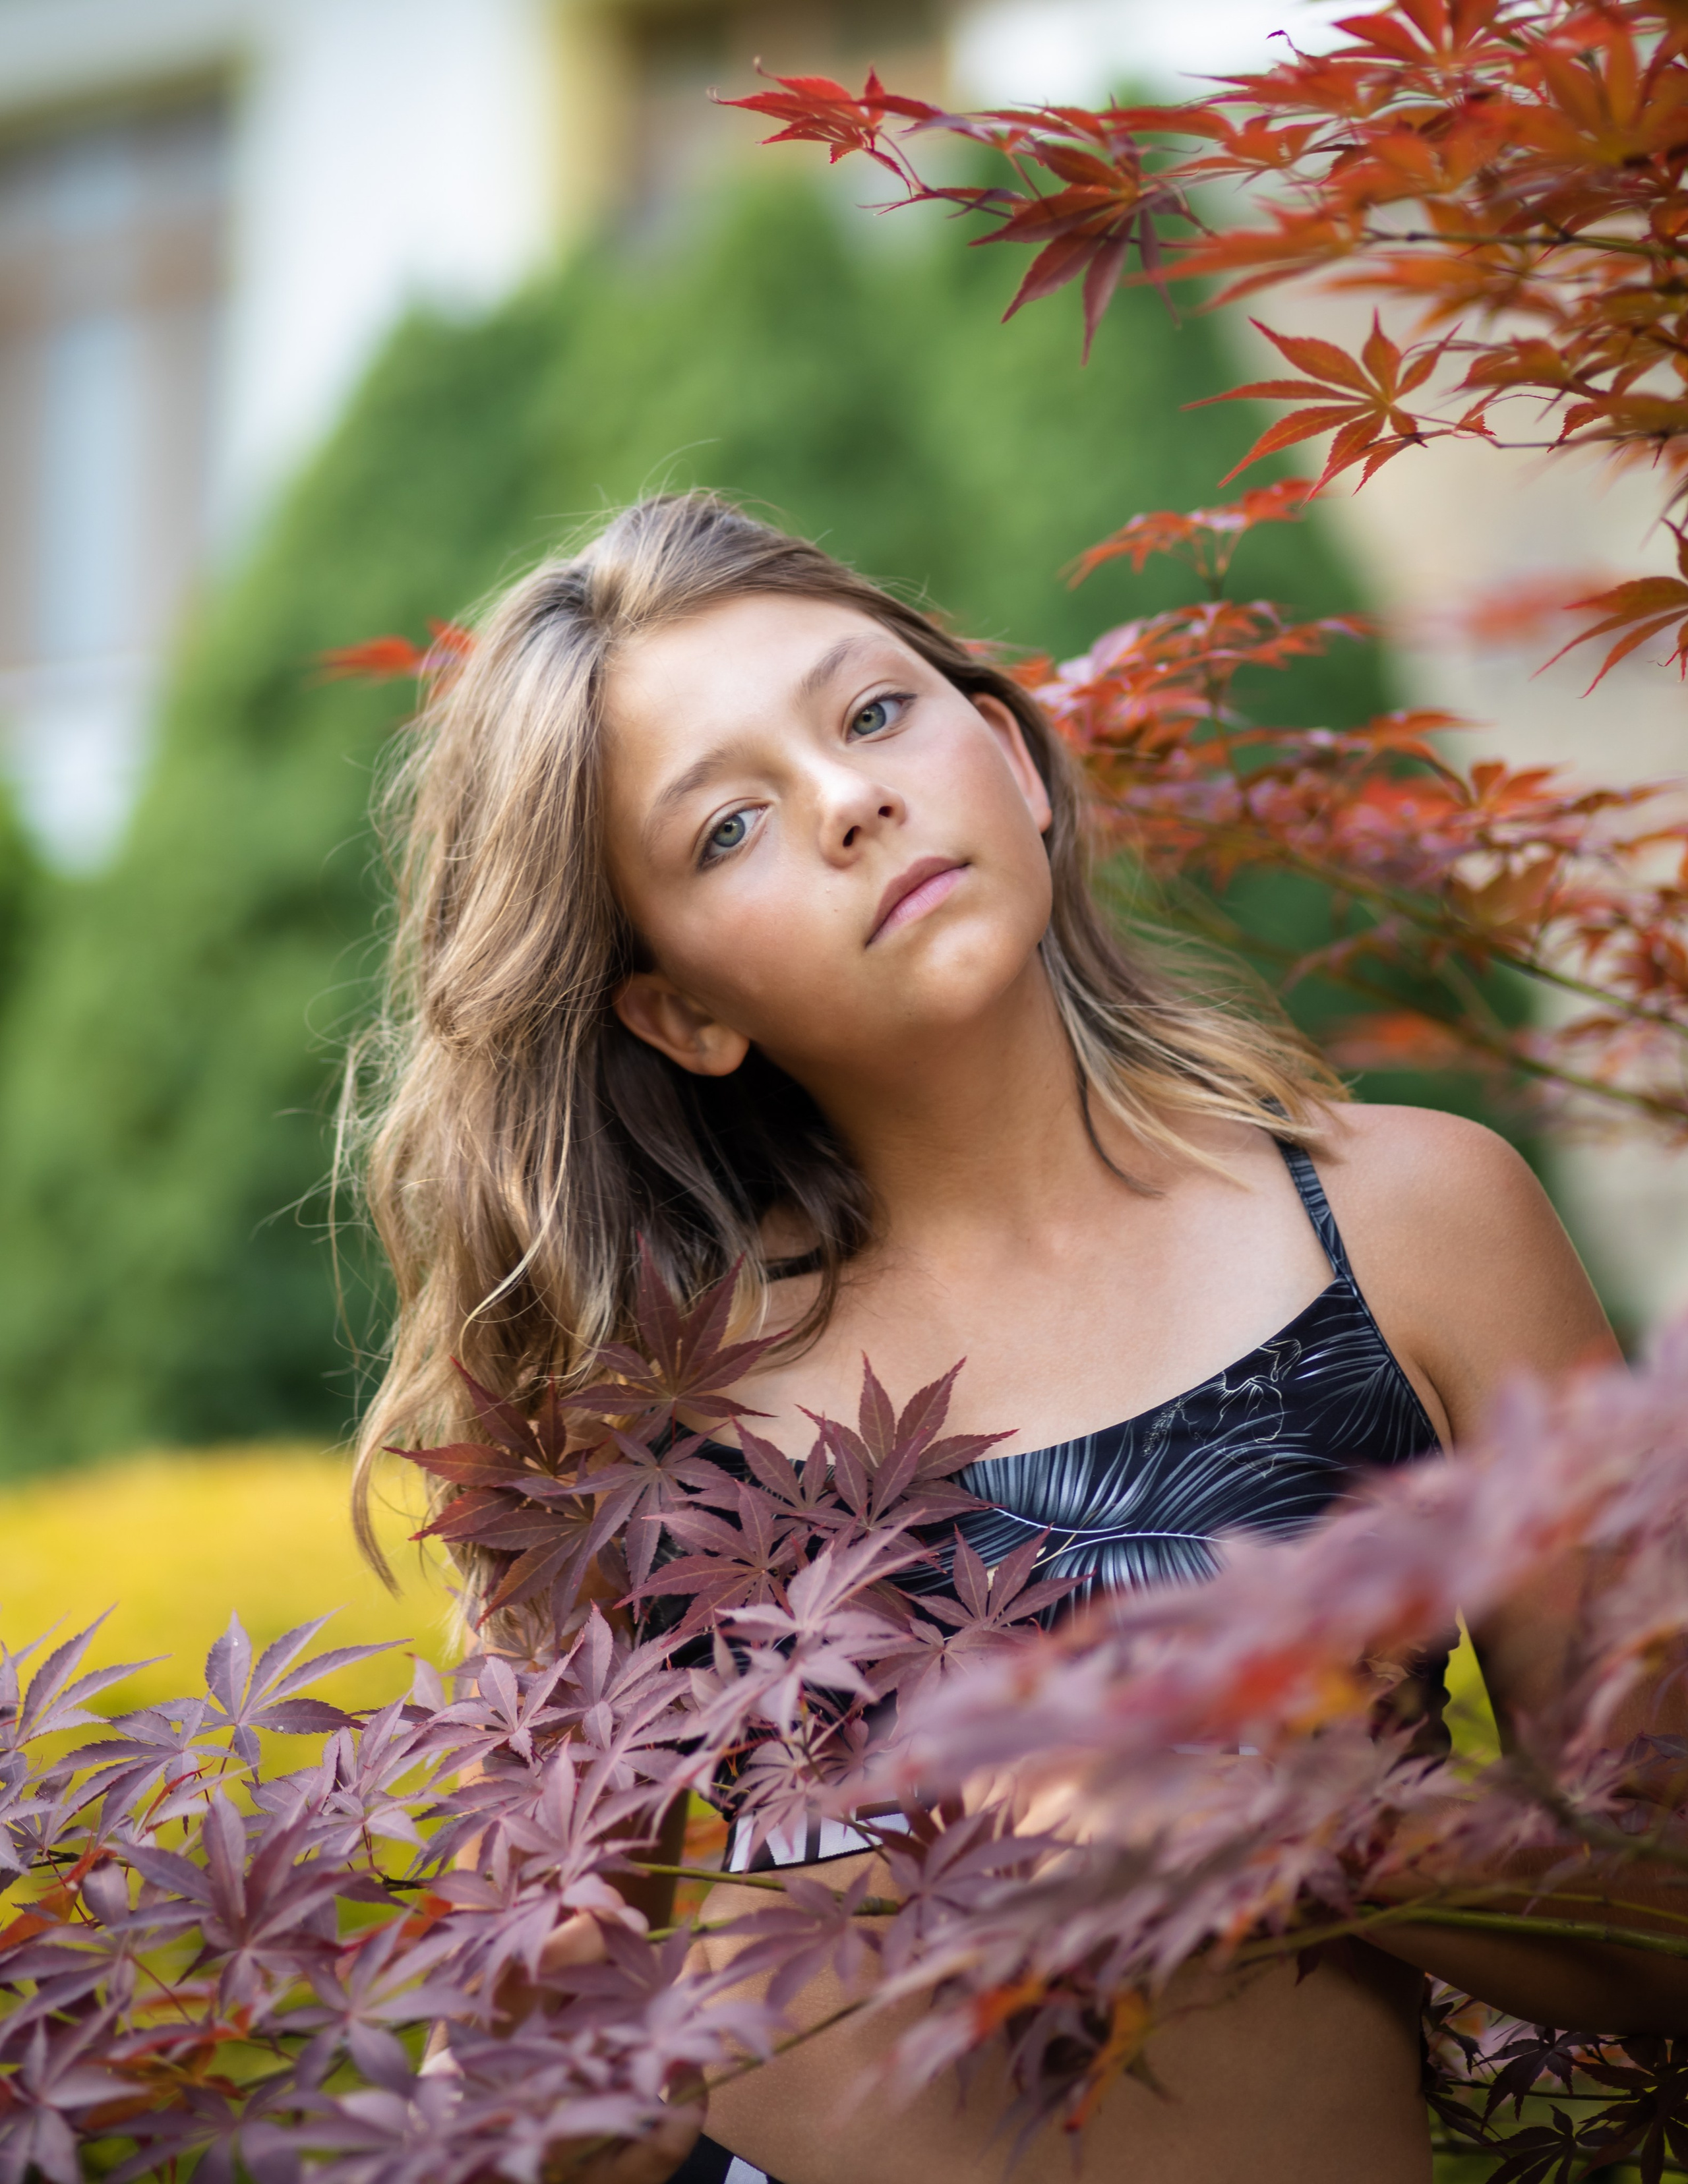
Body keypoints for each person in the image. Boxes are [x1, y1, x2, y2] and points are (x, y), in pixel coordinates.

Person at [351, 492, 1667, 2184]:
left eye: (872, 713)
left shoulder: (1415, 1227)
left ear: (1012, 758)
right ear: (683, 1009)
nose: (846, 802)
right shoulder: (648, 1404)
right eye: (726, 829)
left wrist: (1305, 1817)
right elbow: (520, 2027)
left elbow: (1662, 1914)